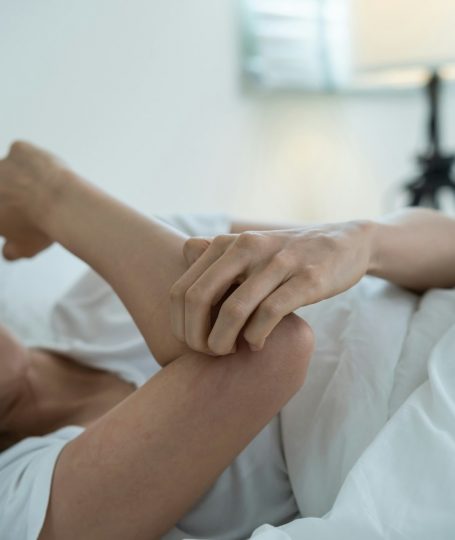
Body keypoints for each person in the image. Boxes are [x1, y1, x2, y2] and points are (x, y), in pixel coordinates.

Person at [1, 141, 455, 540]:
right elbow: (268, 345)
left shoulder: (98, 290)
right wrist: (50, 192)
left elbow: (446, 244)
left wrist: (362, 241)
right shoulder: (15, 501)